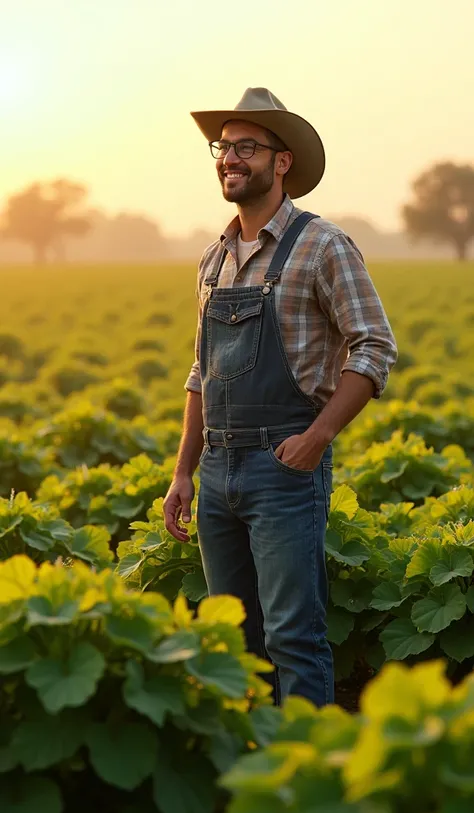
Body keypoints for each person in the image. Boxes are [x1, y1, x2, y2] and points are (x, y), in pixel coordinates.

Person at [163, 87, 397, 707]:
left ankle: (304, 773)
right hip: (216, 471)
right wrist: (184, 470)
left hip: (284, 467)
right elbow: (200, 372)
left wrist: (316, 438)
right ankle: (250, 770)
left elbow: (373, 347)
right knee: (232, 641)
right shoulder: (212, 260)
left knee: (294, 636)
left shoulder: (323, 246)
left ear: (282, 161)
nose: (228, 158)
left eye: (246, 147)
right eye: (223, 146)